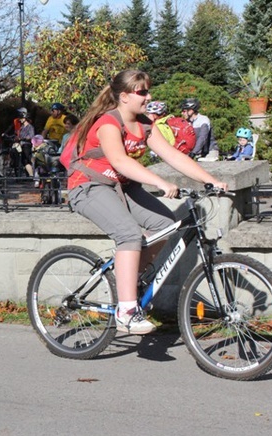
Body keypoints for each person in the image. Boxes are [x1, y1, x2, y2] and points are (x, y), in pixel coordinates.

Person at [65, 70, 228, 334]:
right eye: (142, 92)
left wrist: (211, 181)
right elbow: (119, 161)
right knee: (129, 234)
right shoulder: (108, 123)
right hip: (88, 185)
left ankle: (131, 281)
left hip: (121, 186)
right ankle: (126, 310)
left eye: (148, 90)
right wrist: (160, 183)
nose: (148, 96)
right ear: (125, 96)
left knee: (164, 224)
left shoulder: (145, 125)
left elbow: (173, 156)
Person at [11, 107, 35, 177]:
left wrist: (23, 138)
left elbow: (31, 136)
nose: (20, 120)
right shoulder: (21, 127)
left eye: (21, 118)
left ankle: (31, 175)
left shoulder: (30, 127)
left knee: (25, 160)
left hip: (26, 145)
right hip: (21, 145)